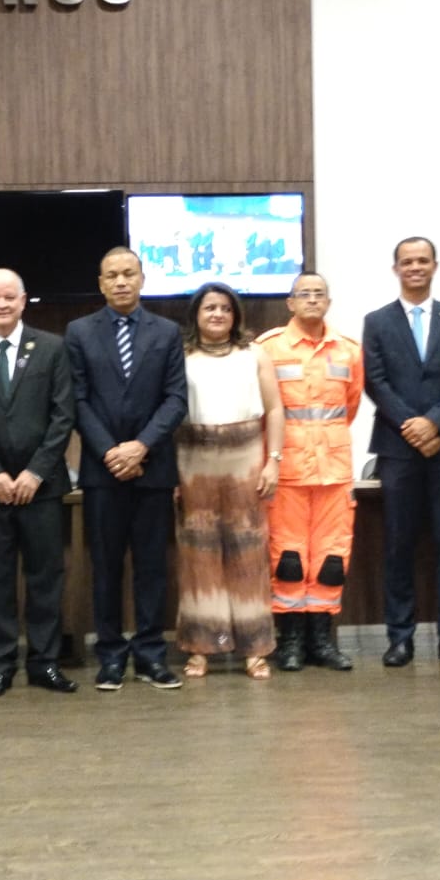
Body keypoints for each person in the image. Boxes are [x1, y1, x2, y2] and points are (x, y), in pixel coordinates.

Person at [65, 246, 189, 691]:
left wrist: (140, 447)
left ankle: (152, 655)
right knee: (106, 566)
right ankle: (111, 656)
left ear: (142, 279)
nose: (121, 281)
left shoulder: (167, 332)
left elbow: (176, 399)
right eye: (112, 275)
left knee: (152, 567)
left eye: (128, 273)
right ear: (101, 284)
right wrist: (111, 452)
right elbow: (77, 400)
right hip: (103, 472)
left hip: (153, 469)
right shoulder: (79, 332)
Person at [0, 269, 79, 699]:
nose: (2, 304)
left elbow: (64, 416)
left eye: (10, 297)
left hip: (42, 486)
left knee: (46, 575)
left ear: (23, 301)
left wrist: (35, 471)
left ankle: (45, 662)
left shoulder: (53, 348)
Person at [362, 237, 440, 668]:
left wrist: (435, 423)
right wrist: (413, 426)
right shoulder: (377, 321)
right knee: (399, 545)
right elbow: (375, 381)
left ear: (434, 266)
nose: (415, 267)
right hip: (398, 448)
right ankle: (400, 637)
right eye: (407, 261)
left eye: (422, 261)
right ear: (395, 268)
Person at [172, 282, 283, 680]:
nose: (217, 314)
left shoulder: (255, 353)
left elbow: (275, 409)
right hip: (193, 458)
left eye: (224, 308)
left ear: (235, 315)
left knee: (248, 553)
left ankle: (255, 650)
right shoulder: (180, 354)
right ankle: (202, 647)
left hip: (245, 458)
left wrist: (273, 461)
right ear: (196, 315)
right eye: (209, 308)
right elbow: (168, 413)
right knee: (198, 556)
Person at [254, 272, 362, 672]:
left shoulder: (349, 350)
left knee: (332, 558)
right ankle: (291, 641)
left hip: (334, 472)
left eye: (319, 294)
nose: (313, 300)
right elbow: (262, 410)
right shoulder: (267, 348)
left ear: (328, 302)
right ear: (291, 302)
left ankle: (322, 641)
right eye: (305, 294)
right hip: (287, 472)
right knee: (288, 558)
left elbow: (350, 406)